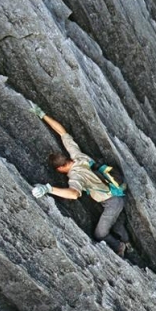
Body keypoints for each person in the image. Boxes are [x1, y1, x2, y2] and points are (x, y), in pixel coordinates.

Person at [29, 103, 129, 257]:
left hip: (112, 201)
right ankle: (126, 239)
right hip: (114, 194)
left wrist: (48, 189)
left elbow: (74, 194)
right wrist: (42, 114)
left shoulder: (76, 176)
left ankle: (120, 246)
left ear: (60, 168)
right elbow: (62, 133)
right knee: (115, 222)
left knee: (100, 234)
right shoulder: (78, 156)